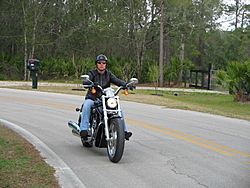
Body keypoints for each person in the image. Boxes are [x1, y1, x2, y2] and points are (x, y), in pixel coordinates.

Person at [79, 54, 132, 141]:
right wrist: (87, 82)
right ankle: (83, 129)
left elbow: (117, 81)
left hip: (105, 99)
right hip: (93, 98)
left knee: (119, 108)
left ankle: (124, 131)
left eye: (103, 63)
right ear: (97, 64)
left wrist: (127, 85)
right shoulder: (92, 73)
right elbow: (87, 80)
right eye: (99, 62)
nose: (101, 64)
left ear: (106, 64)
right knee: (87, 105)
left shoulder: (108, 74)